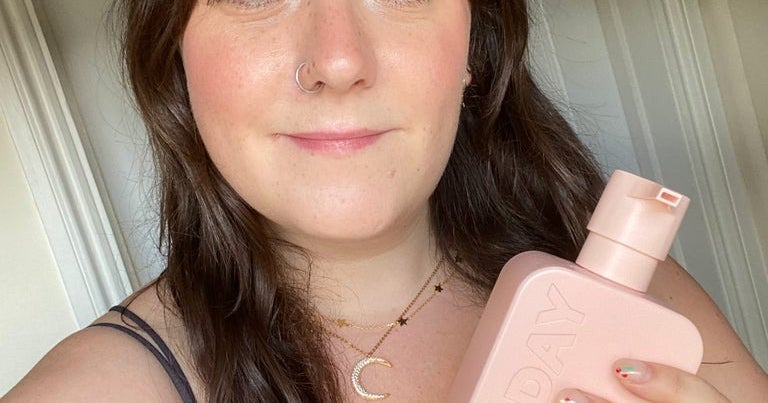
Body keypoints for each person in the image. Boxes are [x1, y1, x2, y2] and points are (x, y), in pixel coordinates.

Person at [4, 0, 768, 402]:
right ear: (174, 45)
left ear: (473, 41)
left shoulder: (635, 300)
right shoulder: (94, 391)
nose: (338, 61)